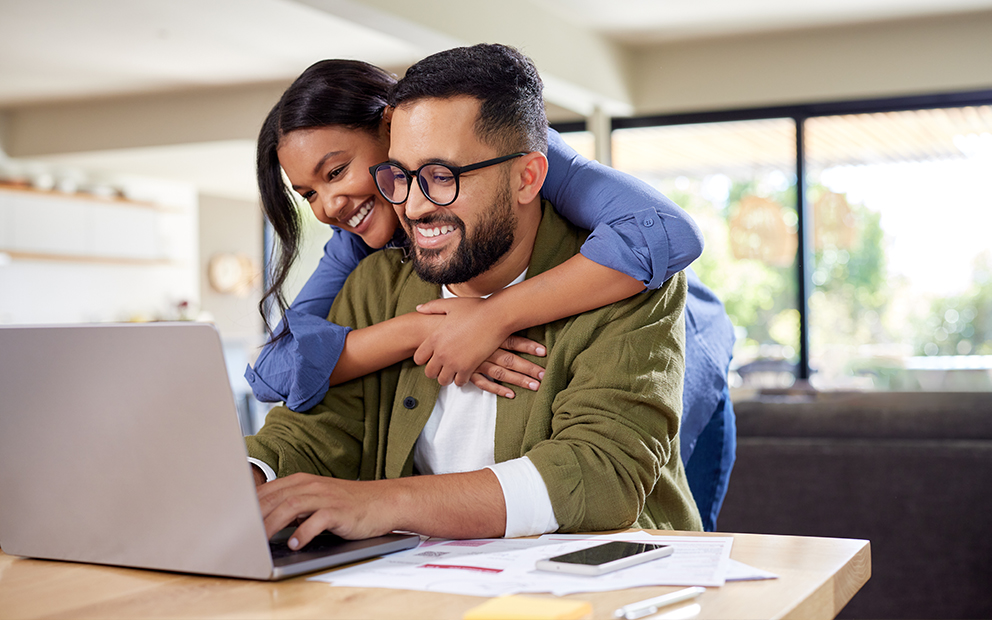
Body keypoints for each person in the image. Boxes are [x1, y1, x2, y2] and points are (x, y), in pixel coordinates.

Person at [244, 58, 736, 530]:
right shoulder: (366, 267)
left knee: (666, 490)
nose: (413, 205)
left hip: (692, 342)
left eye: (442, 175)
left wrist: (489, 317)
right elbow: (292, 389)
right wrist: (240, 477)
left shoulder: (623, 263)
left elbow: (667, 237)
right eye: (402, 175)